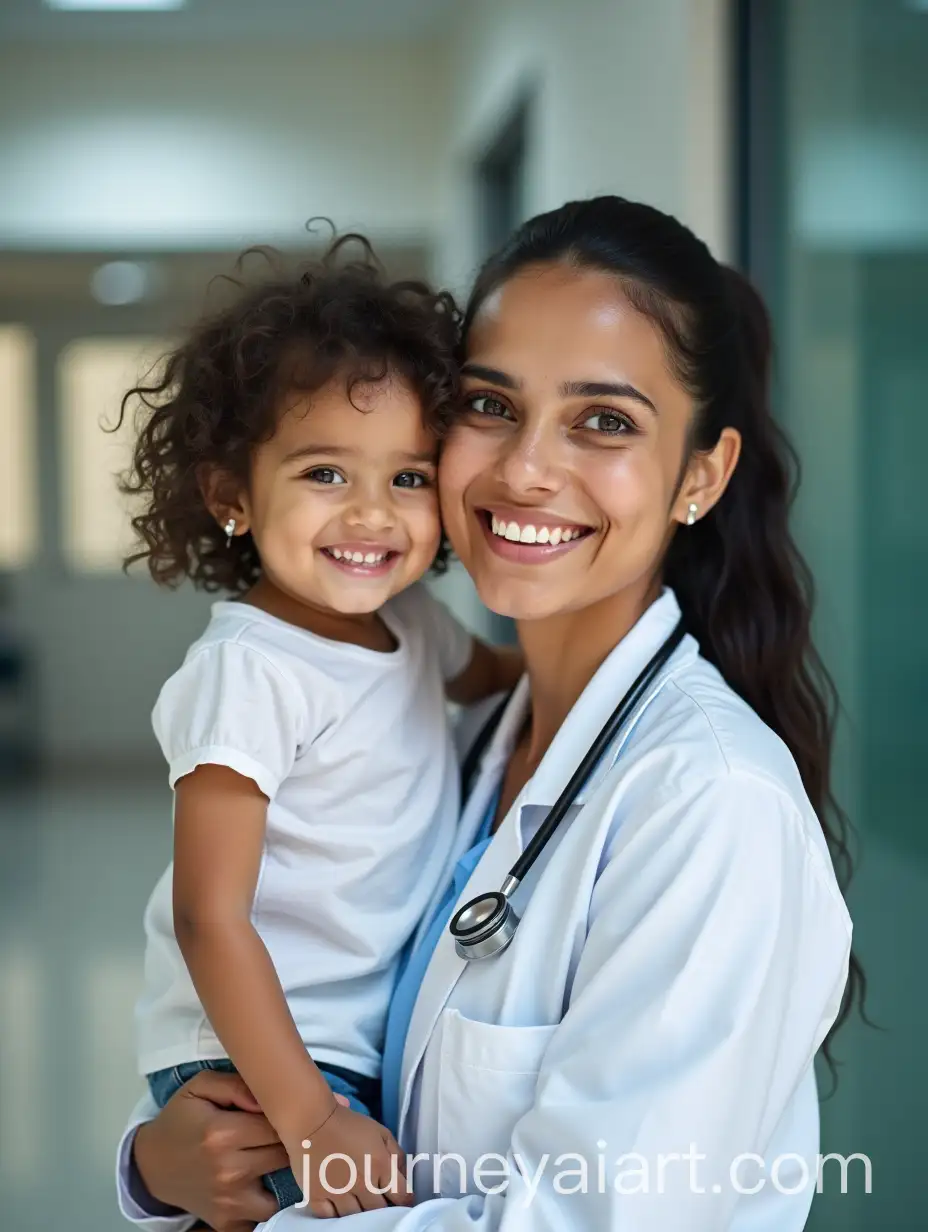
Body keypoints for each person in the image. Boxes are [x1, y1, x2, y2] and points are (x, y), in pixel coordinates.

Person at [117, 197, 858, 1231]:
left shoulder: (709, 806)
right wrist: (161, 1167)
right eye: (489, 405)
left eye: (604, 421)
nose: (523, 470)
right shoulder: (459, 730)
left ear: (701, 474)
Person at [122, 241, 522, 1217]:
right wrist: (307, 1115)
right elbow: (206, 915)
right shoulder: (247, 669)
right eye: (325, 473)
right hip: (255, 1059)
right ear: (230, 496)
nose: (373, 515)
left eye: (408, 477)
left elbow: (525, 683)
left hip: (348, 1048)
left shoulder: (416, 624)